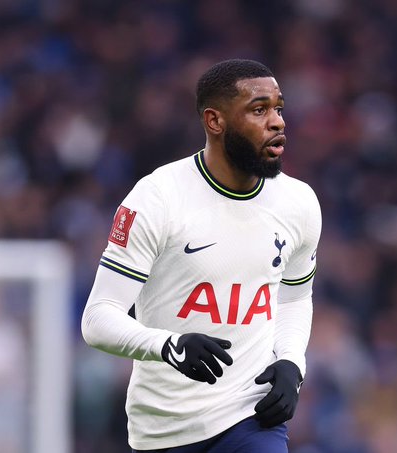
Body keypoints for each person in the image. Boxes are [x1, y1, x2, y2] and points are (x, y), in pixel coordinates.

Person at [81, 58, 322, 452]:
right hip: (164, 428)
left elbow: (294, 297)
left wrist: (293, 363)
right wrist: (169, 346)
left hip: (251, 418)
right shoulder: (158, 198)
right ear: (215, 121)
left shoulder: (299, 203)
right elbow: (97, 319)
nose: (277, 122)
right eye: (259, 110)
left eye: (279, 108)